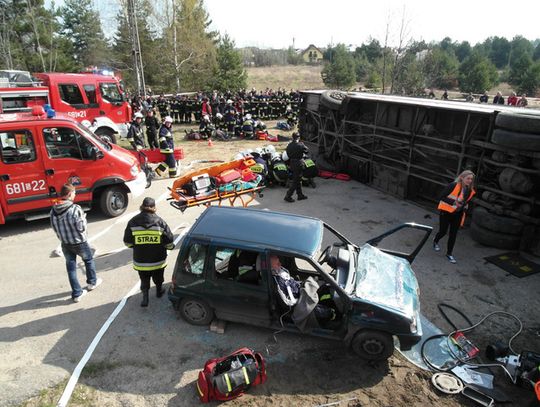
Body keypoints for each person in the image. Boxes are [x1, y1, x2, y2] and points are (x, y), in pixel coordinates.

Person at [50, 183, 102, 302]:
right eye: (74, 193)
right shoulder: (75, 208)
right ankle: (92, 282)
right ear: (69, 194)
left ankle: (77, 293)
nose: (75, 195)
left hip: (65, 243)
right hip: (79, 242)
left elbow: (53, 226)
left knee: (71, 267)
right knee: (88, 260)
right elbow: (81, 228)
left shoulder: (53, 210)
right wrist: (83, 219)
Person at [123, 197, 174, 307]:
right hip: (158, 260)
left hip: (141, 261)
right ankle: (159, 292)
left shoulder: (132, 222)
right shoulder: (160, 222)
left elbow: (127, 242)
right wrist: (170, 247)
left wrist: (137, 246)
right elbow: (169, 240)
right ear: (154, 208)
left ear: (142, 207)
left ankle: (145, 298)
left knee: (144, 279)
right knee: (158, 278)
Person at [433, 170, 476, 264]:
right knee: (443, 231)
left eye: (471, 179)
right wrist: (453, 202)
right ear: (462, 177)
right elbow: (441, 196)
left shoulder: (469, 190)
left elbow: (465, 201)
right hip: (446, 212)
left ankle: (449, 253)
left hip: (458, 213)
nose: (469, 181)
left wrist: (466, 205)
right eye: (468, 178)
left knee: (453, 234)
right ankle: (435, 241)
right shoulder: (453, 185)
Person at [284, 133, 309, 203]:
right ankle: (288, 196)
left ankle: (300, 195)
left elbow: (288, 154)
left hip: (292, 163)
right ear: (298, 137)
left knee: (297, 179)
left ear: (292, 137)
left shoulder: (289, 145)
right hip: (299, 163)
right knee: (296, 181)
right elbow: (307, 151)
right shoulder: (301, 144)